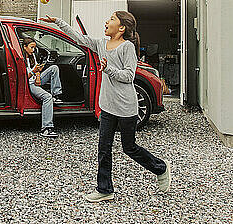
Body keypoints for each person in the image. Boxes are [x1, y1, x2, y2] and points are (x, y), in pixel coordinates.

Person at [40, 12, 171, 201]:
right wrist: (58, 22)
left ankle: (161, 168)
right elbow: (79, 38)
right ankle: (104, 190)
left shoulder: (127, 48)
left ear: (121, 28)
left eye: (111, 19)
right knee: (104, 148)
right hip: (107, 106)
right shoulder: (101, 44)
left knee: (130, 147)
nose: (106, 21)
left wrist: (107, 69)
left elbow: (129, 77)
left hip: (126, 107)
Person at [22, 37, 63, 138]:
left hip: (34, 80)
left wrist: (38, 77)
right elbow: (23, 78)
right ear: (24, 47)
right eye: (31, 47)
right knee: (47, 97)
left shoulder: (32, 56)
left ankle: (56, 95)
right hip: (28, 84)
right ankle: (46, 128)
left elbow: (38, 69)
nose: (33, 50)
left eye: (34, 48)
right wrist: (33, 72)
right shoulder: (21, 58)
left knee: (54, 68)